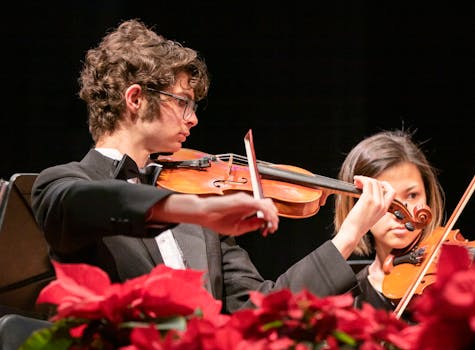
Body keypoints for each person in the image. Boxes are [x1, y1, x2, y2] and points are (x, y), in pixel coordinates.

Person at [31, 19, 397, 314]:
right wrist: (197, 210)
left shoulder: (197, 205)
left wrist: (347, 238)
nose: (192, 120)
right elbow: (84, 201)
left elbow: (263, 309)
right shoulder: (61, 184)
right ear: (136, 98)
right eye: (183, 102)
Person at [333, 129, 445, 313]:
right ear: (357, 206)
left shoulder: (455, 277)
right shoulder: (348, 300)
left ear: (428, 197)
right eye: (385, 196)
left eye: (412, 195)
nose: (402, 212)